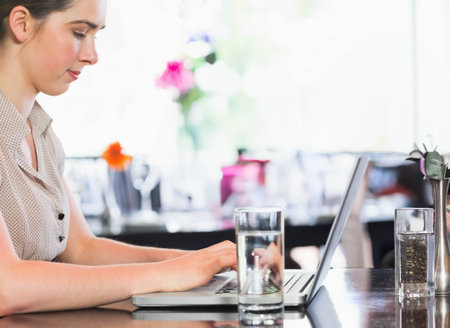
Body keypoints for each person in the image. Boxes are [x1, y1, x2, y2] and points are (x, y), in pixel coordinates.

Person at [0, 0, 236, 316]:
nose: (92, 55)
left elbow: (82, 251)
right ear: (22, 24)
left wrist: (200, 263)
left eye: (95, 36)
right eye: (79, 32)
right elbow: (7, 287)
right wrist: (165, 275)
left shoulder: (42, 135)